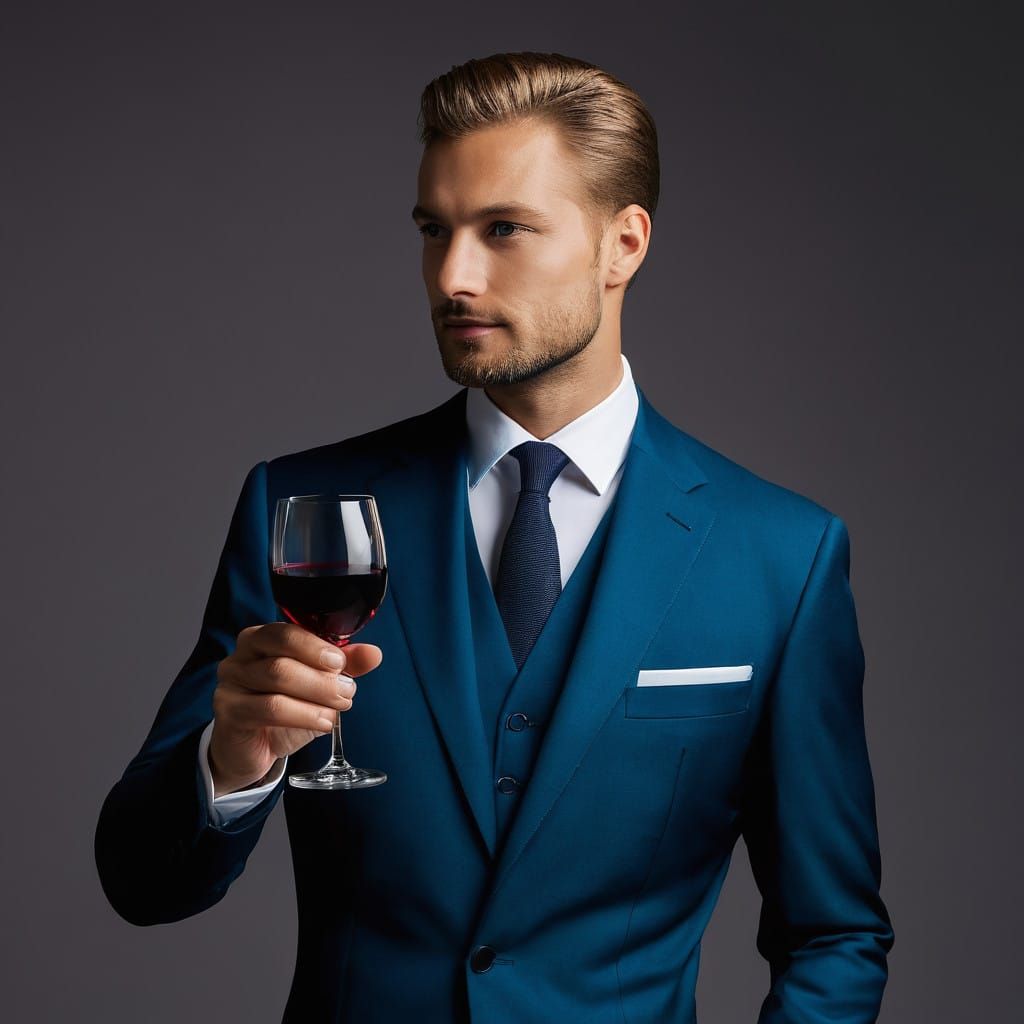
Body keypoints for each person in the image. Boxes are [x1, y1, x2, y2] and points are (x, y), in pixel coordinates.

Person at [96, 51, 894, 1022]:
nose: (453, 276)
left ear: (622, 244)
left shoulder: (780, 556)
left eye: (503, 229)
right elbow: (142, 882)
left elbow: (833, 934)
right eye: (434, 231)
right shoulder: (302, 514)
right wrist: (231, 760)